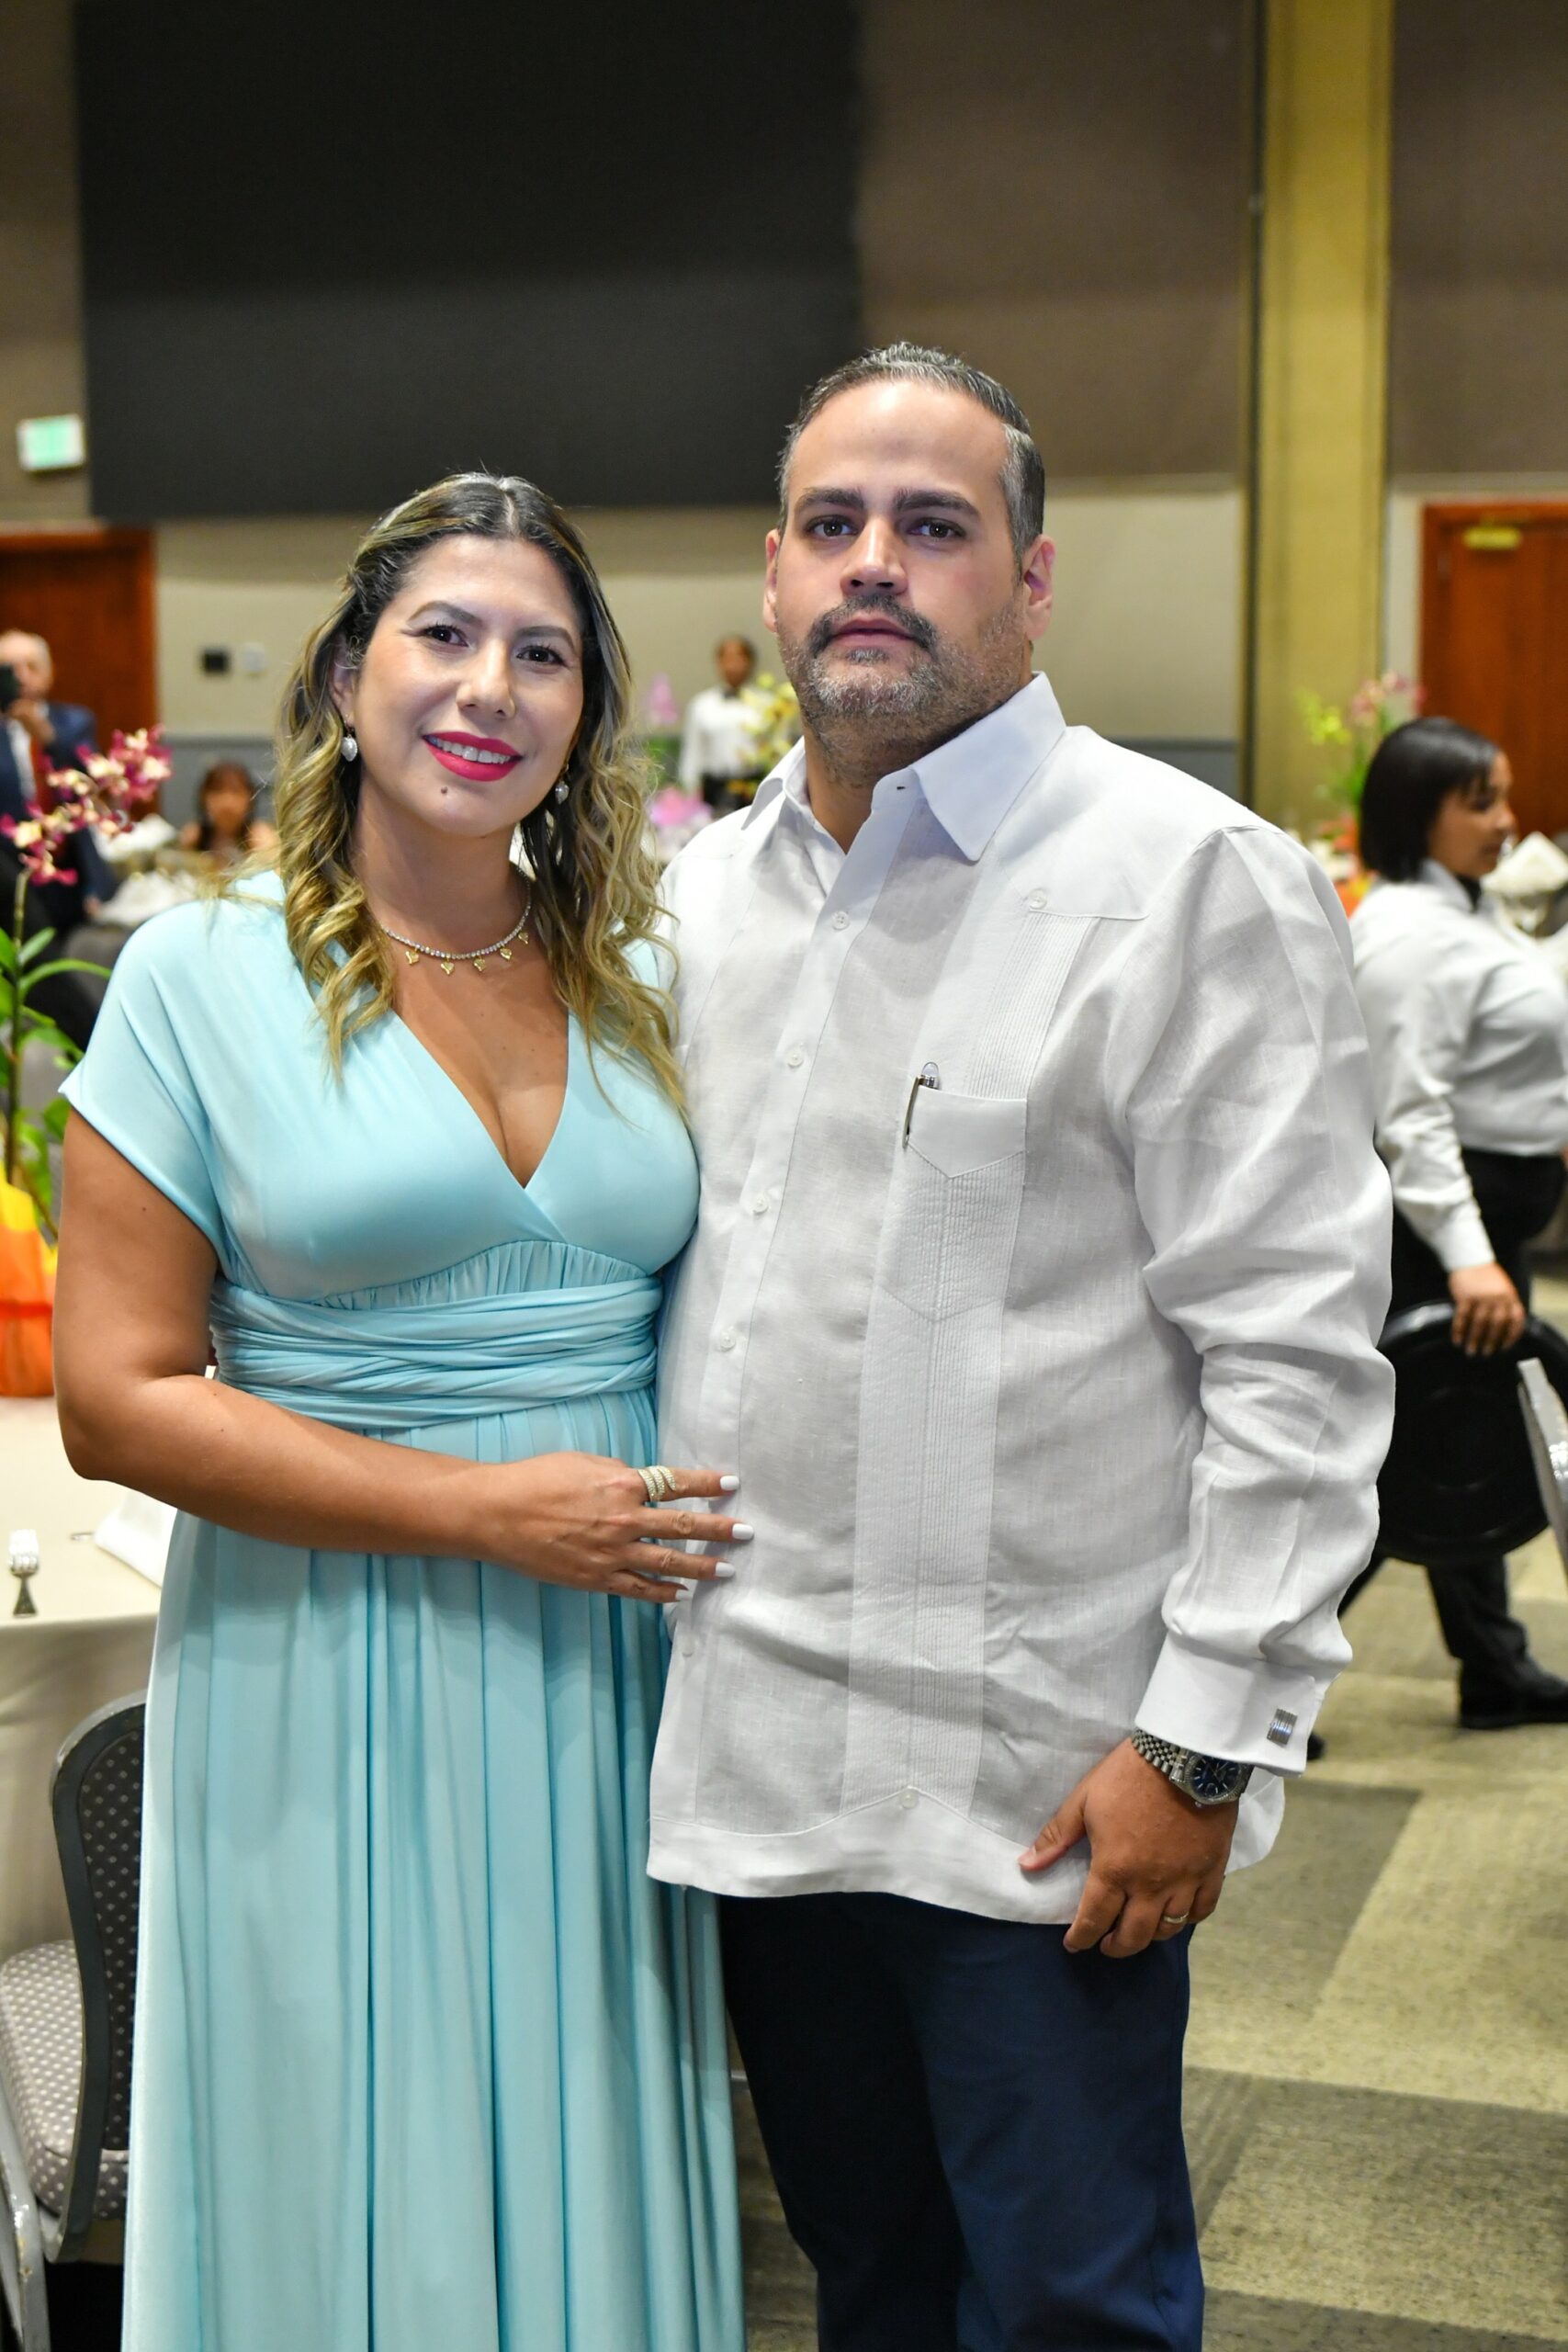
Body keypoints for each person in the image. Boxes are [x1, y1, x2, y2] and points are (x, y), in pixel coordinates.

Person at [650, 344, 1394, 2351]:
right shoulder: (705, 895)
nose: (871, 564)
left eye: (933, 525)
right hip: (759, 1763)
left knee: (1070, 2307)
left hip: (1038, 1781)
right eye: (829, 523)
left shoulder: (1180, 878)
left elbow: (1299, 1357)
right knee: (869, 2287)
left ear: (1032, 580)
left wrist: (1200, 1737)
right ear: (774, 575)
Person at [52, 473, 747, 2352]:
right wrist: (485, 1513)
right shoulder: (197, 975)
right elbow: (113, 1400)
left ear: (588, 710)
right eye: (443, 635)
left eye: (543, 653)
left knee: (591, 2096)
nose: (488, 687)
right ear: (347, 675)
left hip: (605, 1669)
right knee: (348, 2118)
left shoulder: (647, 977)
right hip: (325, 1649)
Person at [1349, 715, 1568, 1729]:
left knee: (1466, 1437)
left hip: (1480, 1224)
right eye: (1480, 803)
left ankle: (1493, 1670)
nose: (1505, 821)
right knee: (1398, 1463)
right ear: (1415, 815)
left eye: (1503, 798)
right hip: (1441, 1232)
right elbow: (1410, 1119)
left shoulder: (1463, 908)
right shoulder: (1409, 936)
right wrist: (1470, 1259)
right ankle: (1247, 1689)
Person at [0, 628, 117, 1046]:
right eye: (9, 669)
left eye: (31, 666)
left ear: (48, 673)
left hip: (68, 872)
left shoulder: (73, 722)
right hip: (13, 876)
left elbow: (92, 783)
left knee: (69, 969)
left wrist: (45, 735)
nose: (22, 677)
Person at [678, 633, 763, 809]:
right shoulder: (701, 705)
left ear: (750, 662)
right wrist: (689, 792)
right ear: (718, 662)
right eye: (727, 658)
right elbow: (693, 753)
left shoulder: (766, 704)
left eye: (739, 657)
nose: (733, 665)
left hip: (753, 789)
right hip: (714, 790)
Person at [177, 758, 277, 866]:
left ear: (251, 797)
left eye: (236, 791)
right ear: (203, 796)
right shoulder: (194, 837)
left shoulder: (259, 836)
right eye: (218, 791)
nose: (227, 802)